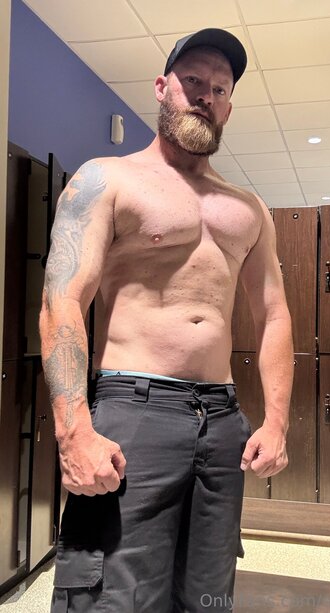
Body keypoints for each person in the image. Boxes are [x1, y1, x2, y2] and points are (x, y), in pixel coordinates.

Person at [40, 28, 294, 613]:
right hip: (134, 410)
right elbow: (62, 301)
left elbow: (274, 314)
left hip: (222, 420)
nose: (206, 96)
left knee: (207, 594)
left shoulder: (248, 209)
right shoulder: (107, 179)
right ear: (162, 88)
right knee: (114, 595)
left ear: (229, 107)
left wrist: (277, 422)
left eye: (220, 89)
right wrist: (73, 430)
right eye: (193, 81)